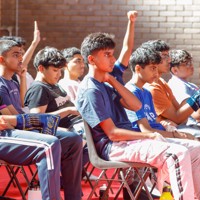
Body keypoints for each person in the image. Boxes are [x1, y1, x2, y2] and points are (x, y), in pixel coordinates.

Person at [76, 32, 200, 200]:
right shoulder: (91, 90)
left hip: (130, 142)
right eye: (107, 55)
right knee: (176, 154)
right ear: (91, 60)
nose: (113, 59)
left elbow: (136, 105)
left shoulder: (106, 83)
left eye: (112, 54)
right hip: (113, 147)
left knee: (196, 149)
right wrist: (148, 134)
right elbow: (112, 134)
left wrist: (112, 81)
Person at [0, 39, 83, 200]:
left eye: (21, 54)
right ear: (1, 59)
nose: (21, 59)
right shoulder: (1, 85)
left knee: (73, 140)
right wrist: (44, 120)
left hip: (18, 127)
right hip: (7, 133)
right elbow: (12, 120)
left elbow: (21, 108)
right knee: (48, 144)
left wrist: (23, 78)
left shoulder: (13, 81)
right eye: (16, 55)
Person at [125, 46, 195, 140]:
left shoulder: (148, 91)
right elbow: (146, 130)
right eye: (164, 56)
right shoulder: (138, 91)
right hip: (150, 138)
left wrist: (164, 123)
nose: (169, 60)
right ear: (138, 69)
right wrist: (177, 135)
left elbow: (154, 119)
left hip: (162, 132)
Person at [142, 40, 200, 137]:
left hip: (176, 129)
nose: (169, 60)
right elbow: (179, 118)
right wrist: (198, 97)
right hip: (163, 134)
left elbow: (181, 117)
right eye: (164, 56)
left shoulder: (161, 82)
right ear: (152, 58)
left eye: (168, 55)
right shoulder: (152, 88)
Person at [168, 49, 200, 125]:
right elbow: (196, 115)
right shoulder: (176, 85)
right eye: (187, 64)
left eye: (190, 62)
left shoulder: (190, 85)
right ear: (175, 70)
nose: (191, 66)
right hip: (191, 128)